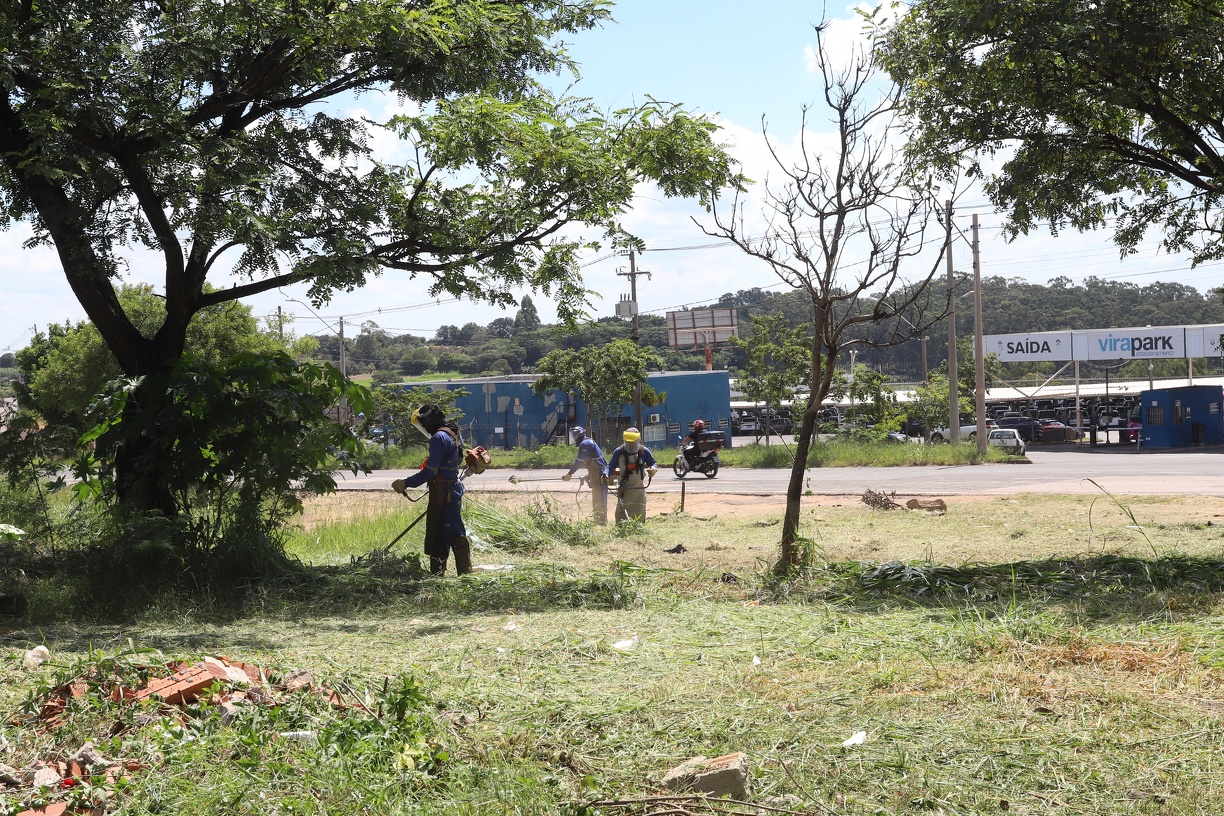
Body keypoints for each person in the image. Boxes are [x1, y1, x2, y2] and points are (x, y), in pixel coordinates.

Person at [394, 404, 471, 576]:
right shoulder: (453, 432)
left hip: (444, 492)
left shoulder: (438, 437)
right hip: (452, 489)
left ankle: (460, 575)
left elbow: (429, 471)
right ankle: (442, 575)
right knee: (442, 531)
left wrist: (405, 483)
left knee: (450, 532)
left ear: (428, 422)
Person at [608, 427, 658, 523]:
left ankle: (638, 528)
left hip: (639, 489)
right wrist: (606, 474)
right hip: (624, 489)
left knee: (639, 513)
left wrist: (653, 470)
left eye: (633, 442)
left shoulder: (644, 451)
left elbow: (653, 464)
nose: (630, 444)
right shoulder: (619, 452)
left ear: (638, 440)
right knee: (622, 514)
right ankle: (621, 528)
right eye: (628, 442)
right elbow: (610, 467)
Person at [562, 425, 608, 525]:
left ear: (581, 434)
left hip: (600, 473)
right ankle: (598, 520)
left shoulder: (585, 444)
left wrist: (570, 474)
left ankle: (602, 521)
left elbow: (579, 461)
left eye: (575, 435)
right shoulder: (588, 442)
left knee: (600, 497)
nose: (574, 437)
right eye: (573, 435)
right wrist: (587, 476)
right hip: (596, 472)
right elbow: (593, 463)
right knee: (597, 496)